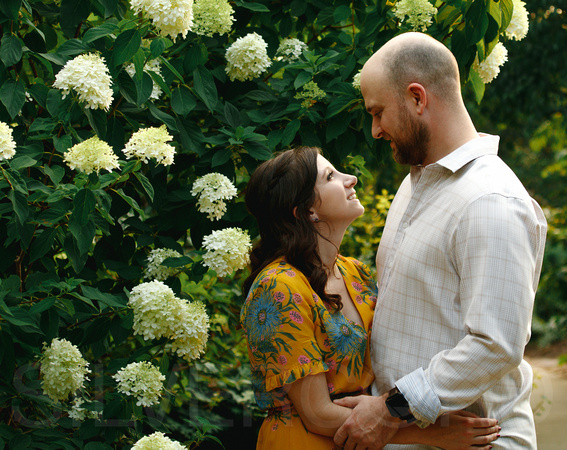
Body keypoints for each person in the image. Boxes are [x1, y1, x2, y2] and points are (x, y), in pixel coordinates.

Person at [333, 32, 547, 450]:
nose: (375, 130)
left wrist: (390, 410)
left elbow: (496, 345)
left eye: (378, 112)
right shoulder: (416, 183)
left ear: (417, 98)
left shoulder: (490, 200)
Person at [241, 146, 501, 449]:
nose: (350, 178)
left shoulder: (355, 273)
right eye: (330, 177)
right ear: (306, 211)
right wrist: (434, 434)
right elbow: (316, 414)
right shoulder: (278, 287)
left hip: (364, 440)